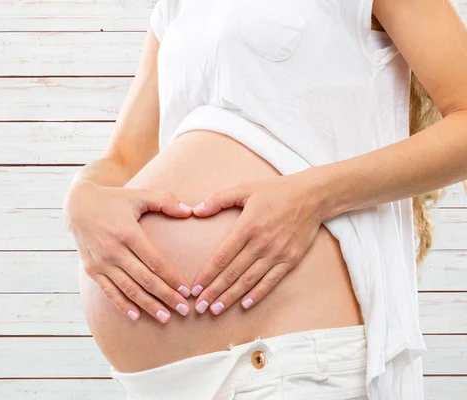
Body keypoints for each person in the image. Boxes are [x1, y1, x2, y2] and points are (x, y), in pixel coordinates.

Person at [63, 0, 467, 398]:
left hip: (286, 358)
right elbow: (124, 158)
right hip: (159, 382)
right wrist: (81, 196)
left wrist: (313, 197)